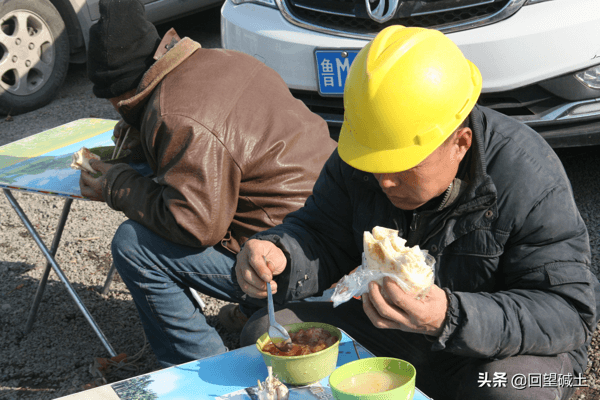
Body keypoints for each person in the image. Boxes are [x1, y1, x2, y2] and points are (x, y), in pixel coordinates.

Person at [235, 25, 600, 400]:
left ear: (460, 143)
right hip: (396, 329)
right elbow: (321, 233)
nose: (384, 180)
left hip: (500, 352)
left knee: (511, 392)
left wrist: (449, 316)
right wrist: (282, 254)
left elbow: (569, 312)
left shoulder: (529, 176)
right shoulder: (366, 156)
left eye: (402, 164)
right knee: (269, 332)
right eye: (375, 163)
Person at [79, 0, 337, 367]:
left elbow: (195, 224)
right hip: (331, 232)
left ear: (120, 94)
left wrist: (116, 186)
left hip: (289, 260)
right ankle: (253, 308)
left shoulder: (175, 117)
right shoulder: (221, 60)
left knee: (133, 244)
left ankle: (200, 367)